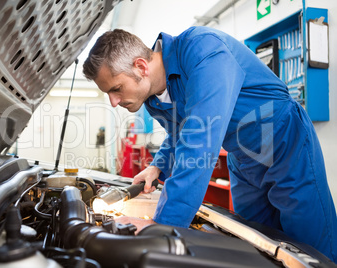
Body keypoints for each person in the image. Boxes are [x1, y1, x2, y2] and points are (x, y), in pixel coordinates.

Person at [82, 27, 337, 262]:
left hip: (285, 142)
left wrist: (162, 227)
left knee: (311, 248)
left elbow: (199, 144)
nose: (113, 102)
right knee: (257, 244)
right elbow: (179, 135)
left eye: (116, 89)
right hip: (244, 158)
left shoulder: (204, 51)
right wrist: (157, 167)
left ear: (140, 67)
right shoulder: (154, 99)